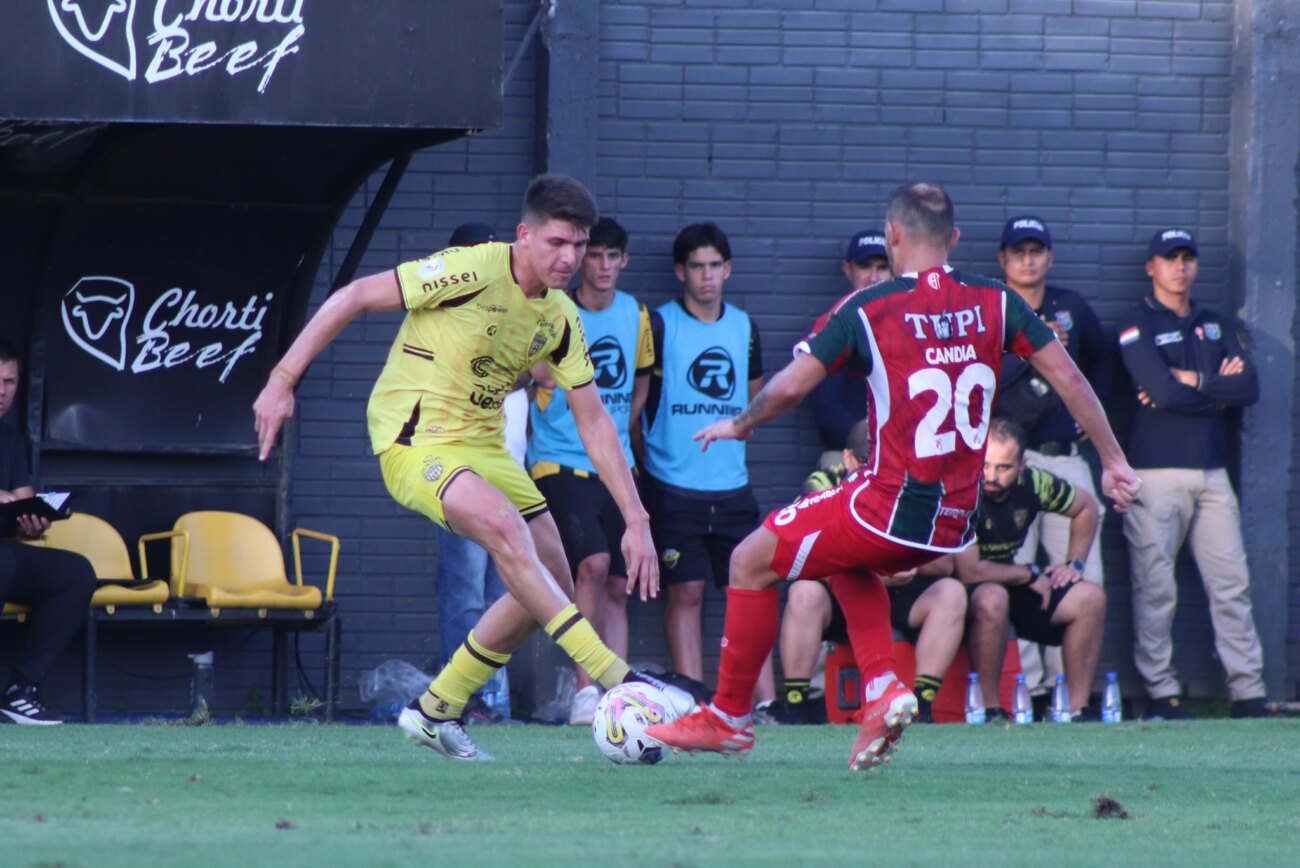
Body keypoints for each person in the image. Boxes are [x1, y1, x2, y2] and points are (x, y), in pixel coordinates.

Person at [646, 181, 1140, 771]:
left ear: (894, 236)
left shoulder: (868, 307)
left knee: (748, 559)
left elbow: (793, 384)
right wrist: (1113, 460)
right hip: (957, 518)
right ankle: (882, 688)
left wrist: (743, 423)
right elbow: (1070, 379)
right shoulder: (998, 301)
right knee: (842, 559)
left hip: (890, 502)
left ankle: (728, 716)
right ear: (954, 238)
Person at [254, 175, 682, 762]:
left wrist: (636, 518)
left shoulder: (560, 318)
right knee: (507, 533)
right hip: (416, 439)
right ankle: (620, 680)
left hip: (483, 448)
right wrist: (281, 382)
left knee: (552, 579)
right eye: (557, 243)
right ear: (524, 235)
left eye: (579, 246)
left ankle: (435, 709)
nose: (569, 258)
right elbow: (352, 297)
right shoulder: (470, 268)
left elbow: (597, 423)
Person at [1117, 228, 1268, 720]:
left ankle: (1248, 692)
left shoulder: (1217, 324)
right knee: (1156, 588)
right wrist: (1211, 390)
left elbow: (1248, 388)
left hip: (1212, 474)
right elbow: (1162, 394)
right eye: (1169, 258)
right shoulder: (1136, 323)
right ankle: (1163, 691)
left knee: (1232, 585)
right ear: (1151, 267)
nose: (1179, 267)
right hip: (1155, 474)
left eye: (1187, 258)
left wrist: (1195, 380)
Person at [525, 217, 653, 725]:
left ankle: (616, 691)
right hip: (558, 460)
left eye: (610, 256)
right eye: (592, 255)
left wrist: (617, 432)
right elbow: (533, 372)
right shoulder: (558, 308)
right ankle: (584, 691)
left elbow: (639, 386)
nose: (600, 266)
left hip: (615, 465)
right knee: (593, 567)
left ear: (624, 261)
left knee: (619, 585)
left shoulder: (637, 315)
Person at [639, 222, 764, 688]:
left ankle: (754, 699)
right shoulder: (658, 323)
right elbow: (639, 401)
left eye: (715, 266)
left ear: (728, 270)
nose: (707, 276)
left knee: (748, 592)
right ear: (680, 271)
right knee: (685, 592)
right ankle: (691, 694)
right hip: (673, 485)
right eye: (697, 267)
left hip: (732, 485)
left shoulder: (744, 326)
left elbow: (757, 399)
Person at [774, 419, 965, 725]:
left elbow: (945, 563)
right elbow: (806, 547)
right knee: (803, 591)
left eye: (878, 461)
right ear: (847, 458)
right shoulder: (823, 482)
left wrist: (902, 565)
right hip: (844, 586)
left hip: (901, 586)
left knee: (951, 594)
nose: (869, 470)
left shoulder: (917, 481)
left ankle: (921, 707)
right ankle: (796, 706)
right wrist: (871, 565)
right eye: (864, 462)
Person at [995, 215, 1116, 695]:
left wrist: (1088, 425)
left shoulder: (1071, 307)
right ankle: (1030, 689)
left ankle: (1071, 691)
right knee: (1013, 571)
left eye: (1036, 250)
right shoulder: (993, 306)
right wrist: (1030, 348)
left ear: (1050, 257)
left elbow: (1104, 365)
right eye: (1018, 251)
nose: (1027, 259)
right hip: (1005, 463)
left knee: (1082, 571)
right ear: (1002, 259)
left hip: (1062, 455)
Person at [955, 418, 1107, 719]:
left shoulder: (1034, 481)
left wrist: (1074, 563)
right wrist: (1029, 574)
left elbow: (1086, 507)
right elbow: (969, 572)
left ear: (1021, 466)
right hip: (957, 592)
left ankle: (1075, 711)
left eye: (1003, 468)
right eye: (984, 465)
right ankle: (989, 710)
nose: (991, 476)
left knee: (1090, 598)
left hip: (1009, 580)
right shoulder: (961, 490)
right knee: (992, 597)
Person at [430, 222, 520, 722]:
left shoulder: (516, 309)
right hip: (457, 473)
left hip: (508, 474)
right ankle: (464, 699)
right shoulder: (447, 316)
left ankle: (495, 698)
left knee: (503, 593)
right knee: (464, 588)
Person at [0, 338, 97, 725]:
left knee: (75, 573)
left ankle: (20, 691)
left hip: (5, 552)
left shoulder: (9, 439)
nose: (1, 391)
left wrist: (33, 520)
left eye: (9, 382)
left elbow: (23, 501)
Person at [805, 230, 891, 463]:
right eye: (865, 266)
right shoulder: (832, 324)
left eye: (882, 267)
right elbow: (828, 413)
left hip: (902, 453)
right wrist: (869, 448)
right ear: (848, 269)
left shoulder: (912, 322)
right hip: (848, 452)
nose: (874, 277)